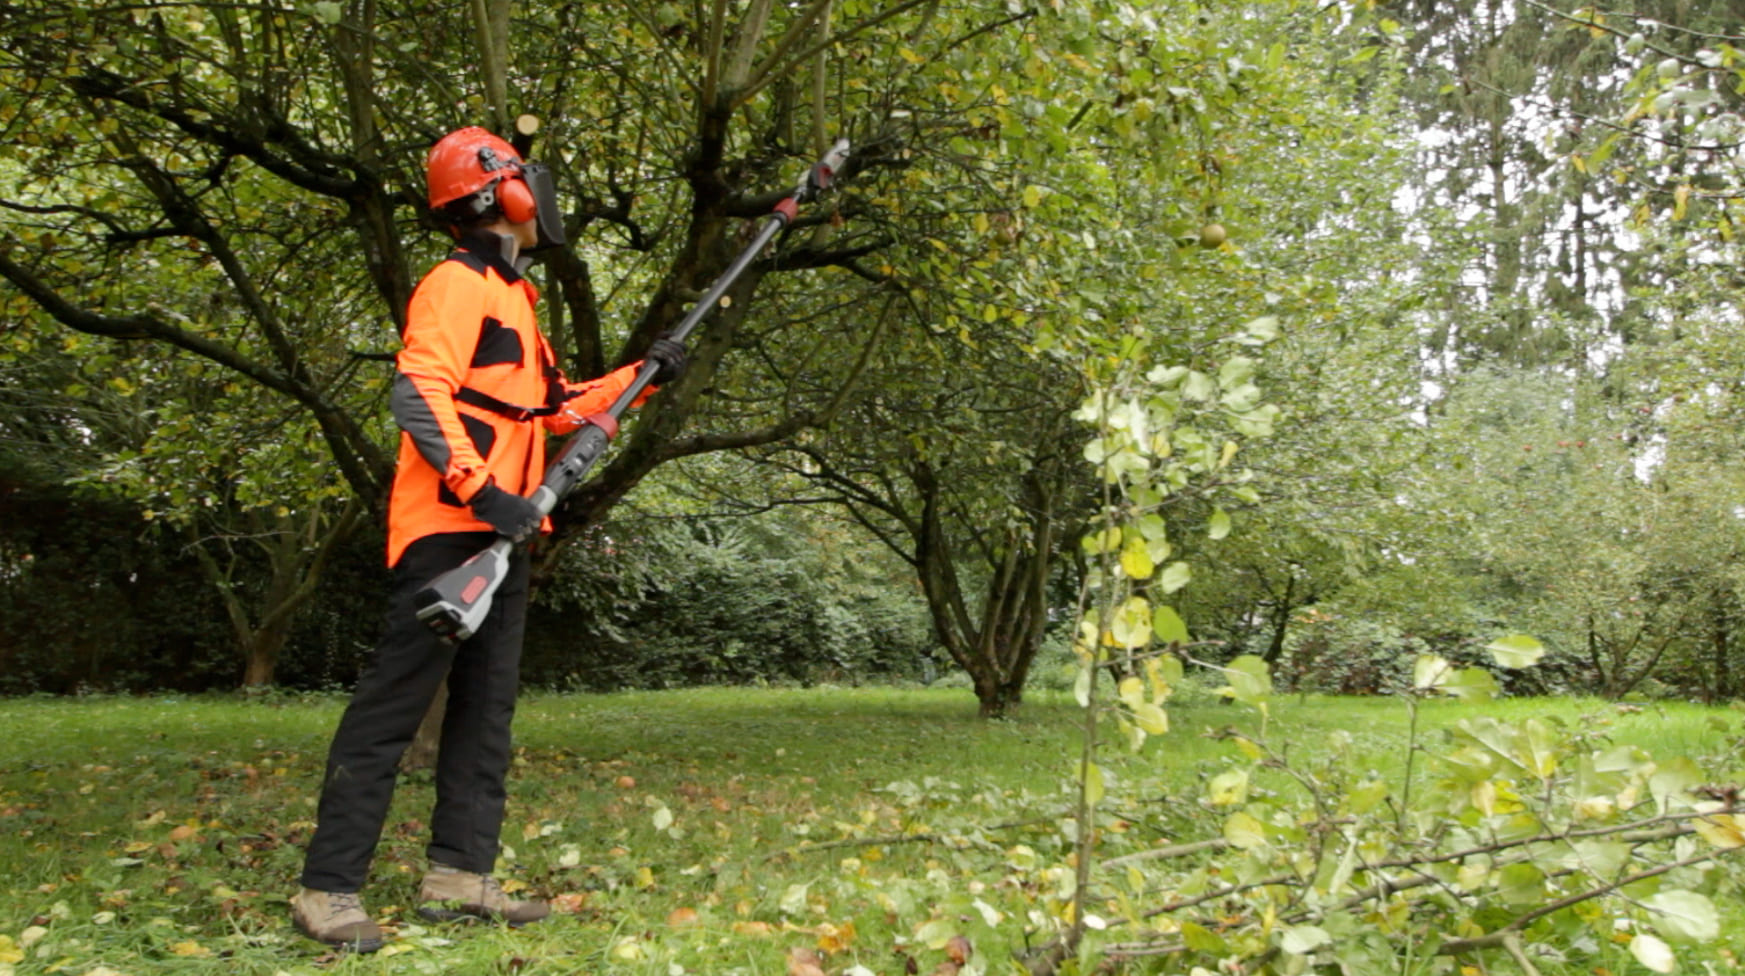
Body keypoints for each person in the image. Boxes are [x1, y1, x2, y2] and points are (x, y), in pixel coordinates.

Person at [290, 126, 685, 951]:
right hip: (449, 531)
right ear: (498, 191)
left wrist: (642, 377)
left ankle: (459, 876)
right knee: (389, 710)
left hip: (504, 538)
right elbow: (417, 392)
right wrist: (481, 490)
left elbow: (556, 406)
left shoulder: (515, 299)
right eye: (529, 180)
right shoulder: (453, 283)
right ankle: (327, 891)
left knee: (485, 712)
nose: (542, 196)